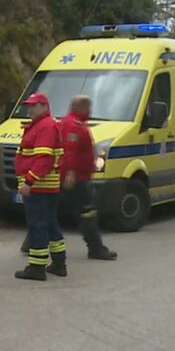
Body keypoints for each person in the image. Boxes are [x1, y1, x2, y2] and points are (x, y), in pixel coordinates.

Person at [14, 92, 66, 280]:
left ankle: (36, 268)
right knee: (50, 224)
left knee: (38, 226)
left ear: (45, 106)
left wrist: (29, 181)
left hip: (39, 186)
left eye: (34, 106)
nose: (30, 109)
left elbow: (43, 159)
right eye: (28, 106)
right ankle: (59, 263)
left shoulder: (45, 127)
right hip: (45, 186)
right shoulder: (43, 125)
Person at [59, 95, 118, 261]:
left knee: (51, 209)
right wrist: (71, 172)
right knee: (88, 213)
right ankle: (96, 248)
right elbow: (70, 150)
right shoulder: (75, 126)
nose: (90, 112)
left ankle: (32, 242)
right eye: (88, 108)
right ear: (81, 108)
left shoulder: (66, 122)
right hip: (77, 178)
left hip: (72, 176)